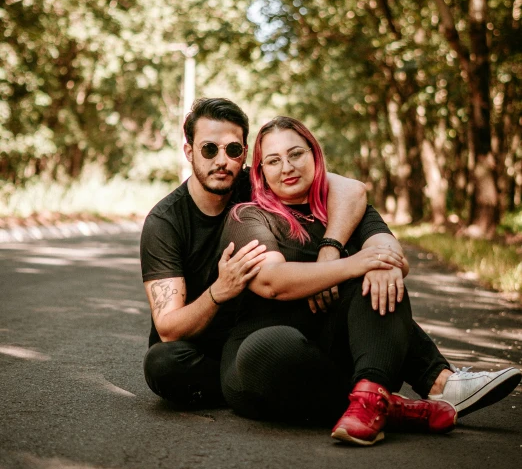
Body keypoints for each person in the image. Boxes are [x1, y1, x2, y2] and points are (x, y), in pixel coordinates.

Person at [140, 99, 520, 420]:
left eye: (233, 150)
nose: (222, 160)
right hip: (207, 347)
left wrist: (332, 249)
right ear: (189, 151)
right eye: (209, 149)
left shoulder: (255, 180)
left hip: (283, 323)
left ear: (245, 155)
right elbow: (170, 326)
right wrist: (219, 292)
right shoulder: (166, 222)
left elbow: (351, 189)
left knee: (363, 281)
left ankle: (433, 383)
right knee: (165, 364)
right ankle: (371, 400)